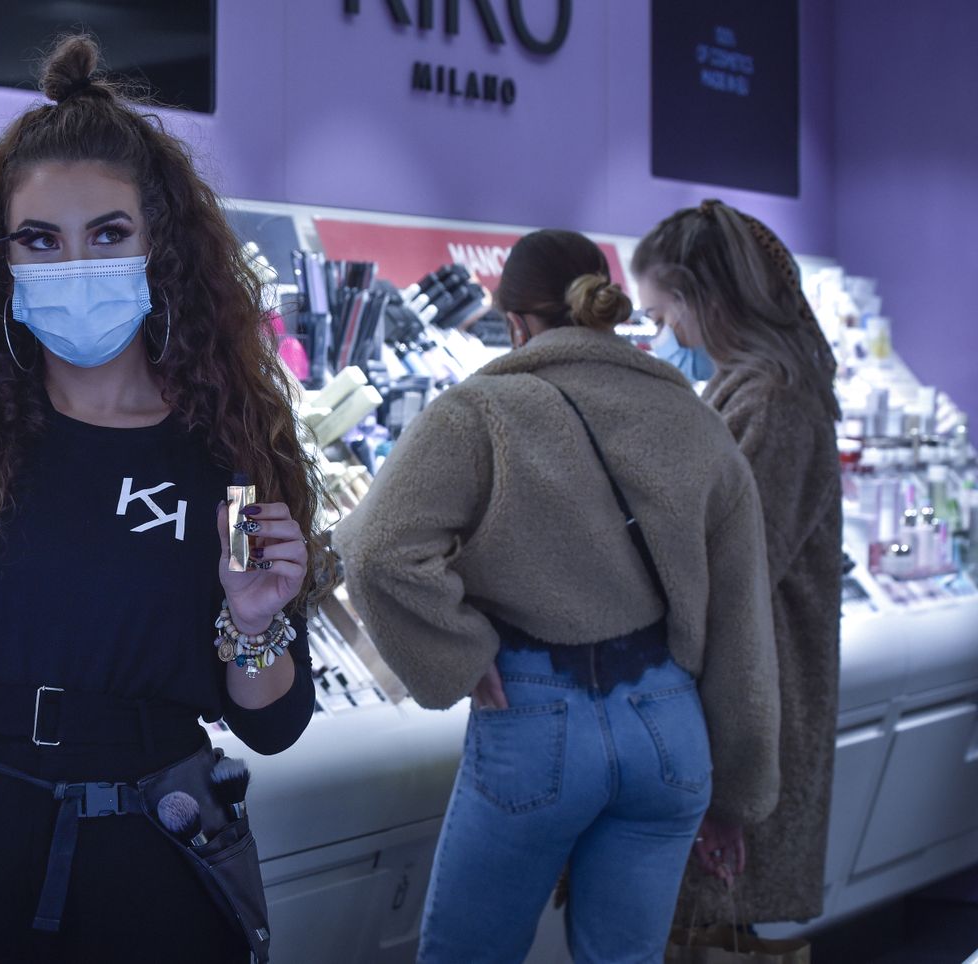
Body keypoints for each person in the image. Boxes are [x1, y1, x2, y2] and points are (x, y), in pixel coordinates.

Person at [0, 35, 329, 963]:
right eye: (40, 241)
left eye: (107, 234)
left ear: (158, 246)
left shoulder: (225, 447)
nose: (76, 261)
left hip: (149, 858)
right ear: (2, 259)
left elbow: (272, 722)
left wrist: (256, 621)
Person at [336, 229, 782, 963]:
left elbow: (378, 548)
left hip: (537, 714)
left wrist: (459, 654)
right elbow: (741, 620)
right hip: (669, 725)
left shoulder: (481, 412)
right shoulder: (695, 421)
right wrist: (738, 796)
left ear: (513, 322)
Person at [633, 199, 844, 925]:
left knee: (728, 922)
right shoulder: (748, 392)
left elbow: (733, 583)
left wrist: (728, 791)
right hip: (743, 714)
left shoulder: (776, 405)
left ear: (707, 302)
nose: (665, 337)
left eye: (665, 316)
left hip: (755, 720)